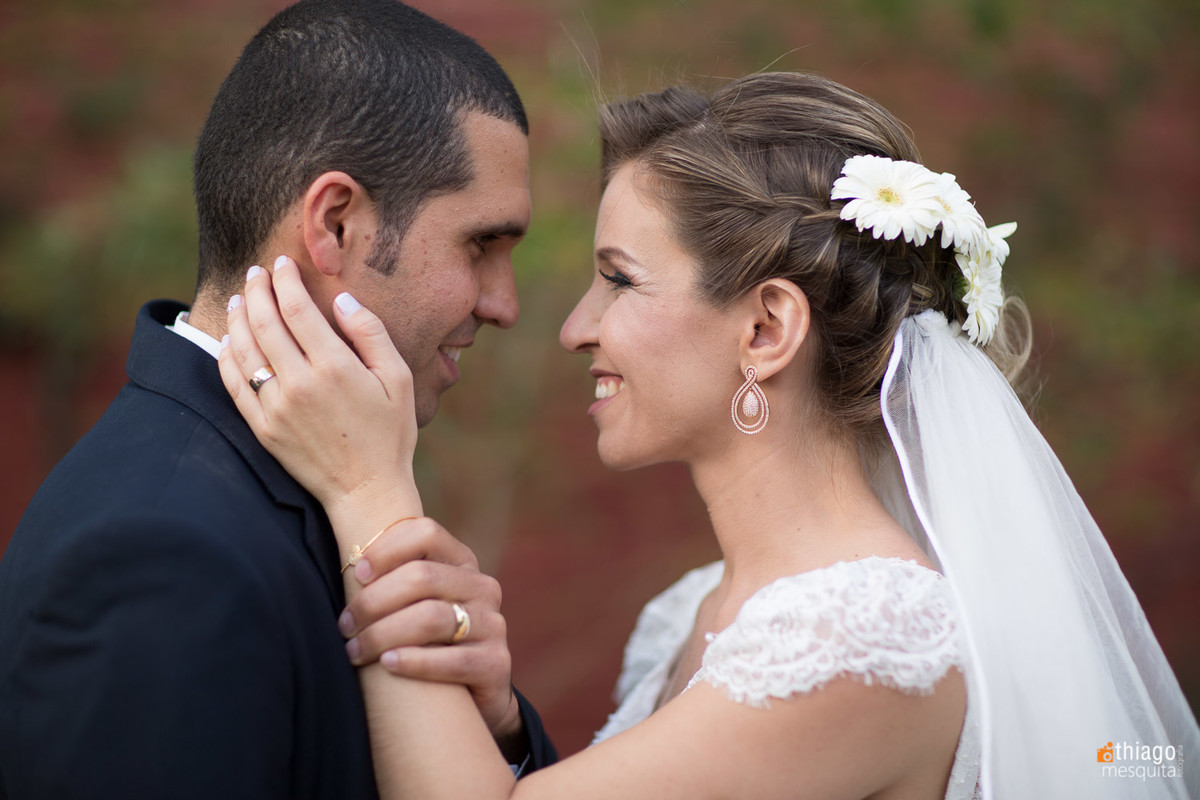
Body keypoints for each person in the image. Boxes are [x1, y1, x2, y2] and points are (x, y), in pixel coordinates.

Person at [221, 72, 1200, 798]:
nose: (574, 326)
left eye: (620, 277)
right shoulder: (695, 608)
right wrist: (503, 721)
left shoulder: (863, 634)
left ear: (766, 329)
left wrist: (368, 489)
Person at [0, 1, 557, 797]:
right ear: (334, 224)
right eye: (481, 244)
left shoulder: (300, 479)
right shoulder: (159, 548)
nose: (503, 302)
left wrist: (496, 727)